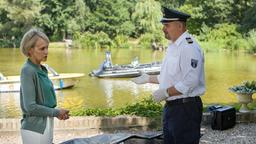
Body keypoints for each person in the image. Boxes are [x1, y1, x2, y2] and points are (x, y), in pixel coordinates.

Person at [132, 6, 205, 144]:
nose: (163, 28)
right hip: (172, 108)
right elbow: (168, 77)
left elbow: (190, 82)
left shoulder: (188, 47)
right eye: (163, 25)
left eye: (167, 25)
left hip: (185, 109)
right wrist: (148, 78)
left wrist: (165, 92)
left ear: (179, 26)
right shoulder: (173, 46)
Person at [19, 28, 70, 144]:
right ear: (30, 50)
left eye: (47, 47)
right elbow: (30, 107)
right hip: (34, 129)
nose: (46, 52)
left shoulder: (41, 69)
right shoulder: (28, 70)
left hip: (46, 123)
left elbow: (45, 102)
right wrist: (56, 112)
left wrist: (56, 114)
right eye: (42, 48)